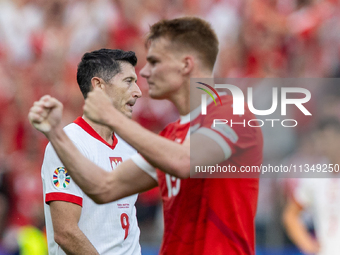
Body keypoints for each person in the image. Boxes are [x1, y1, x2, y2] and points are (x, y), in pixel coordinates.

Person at [29, 17, 263, 255]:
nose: (146, 76)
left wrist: (112, 117)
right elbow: (104, 187)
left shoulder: (232, 114)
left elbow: (183, 162)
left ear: (185, 65)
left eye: (154, 62)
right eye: (130, 79)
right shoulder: (168, 137)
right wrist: (56, 135)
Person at [38, 49, 143, 255]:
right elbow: (65, 232)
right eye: (129, 81)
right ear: (99, 86)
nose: (138, 91)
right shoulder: (69, 144)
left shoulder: (129, 144)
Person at [283, 118, 340, 255]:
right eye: (320, 139)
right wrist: (307, 244)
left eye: (327, 138)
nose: (323, 144)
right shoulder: (314, 176)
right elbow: (290, 215)